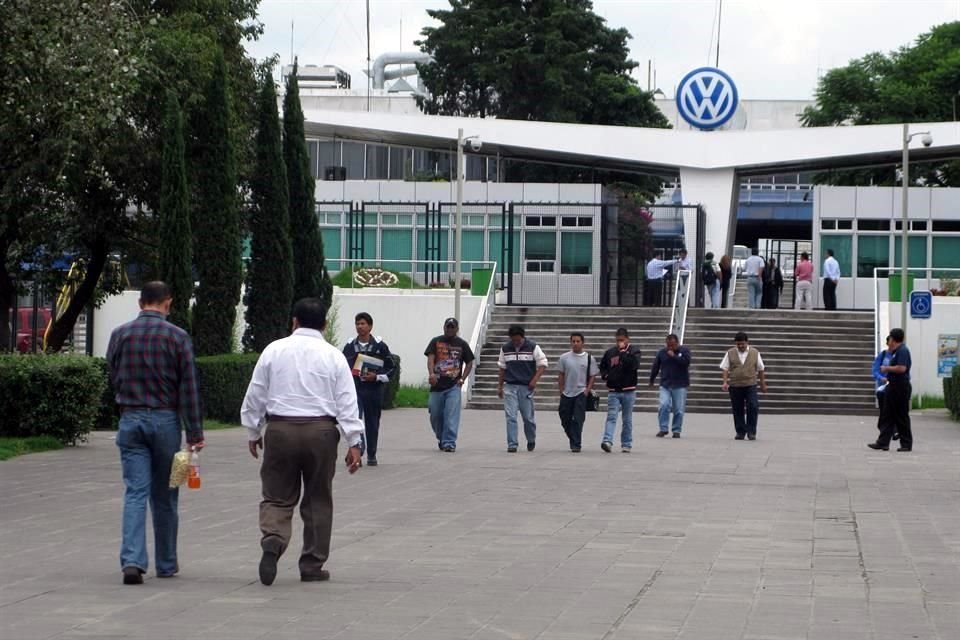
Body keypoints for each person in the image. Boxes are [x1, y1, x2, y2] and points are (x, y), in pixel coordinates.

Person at [241, 298, 364, 586]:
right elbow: (347, 401)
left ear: (293, 321)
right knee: (318, 498)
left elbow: (255, 394)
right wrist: (354, 442)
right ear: (324, 324)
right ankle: (312, 564)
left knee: (276, 494)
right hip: (321, 432)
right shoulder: (333, 356)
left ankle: (273, 538)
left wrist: (253, 431)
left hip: (280, 429)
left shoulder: (274, 350)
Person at [107, 281, 204, 585]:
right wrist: (194, 432)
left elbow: (113, 376)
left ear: (140, 303)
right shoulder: (178, 337)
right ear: (168, 303)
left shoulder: (119, 334)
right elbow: (188, 387)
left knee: (135, 491)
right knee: (168, 493)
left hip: (130, 421)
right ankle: (166, 562)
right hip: (167, 425)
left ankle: (133, 561)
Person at [342, 312, 395, 467]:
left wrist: (377, 377)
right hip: (356, 389)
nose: (360, 326)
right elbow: (343, 367)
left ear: (370, 326)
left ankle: (372, 454)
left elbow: (391, 367)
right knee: (355, 419)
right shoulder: (350, 345)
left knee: (372, 422)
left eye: (363, 323)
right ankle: (360, 447)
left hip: (373, 389)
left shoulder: (380, 345)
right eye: (357, 324)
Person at [424, 317, 475, 452]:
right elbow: (431, 359)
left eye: (453, 327)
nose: (450, 329)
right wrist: (431, 374)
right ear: (444, 327)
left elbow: (469, 362)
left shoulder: (462, 344)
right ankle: (441, 437)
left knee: (451, 415)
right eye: (448, 327)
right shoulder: (435, 341)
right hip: (437, 386)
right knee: (435, 414)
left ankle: (449, 442)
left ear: (457, 329)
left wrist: (462, 379)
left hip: (453, 386)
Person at [497, 325, 548, 452]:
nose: (516, 342)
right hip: (510, 386)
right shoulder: (505, 348)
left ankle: (531, 439)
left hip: (526, 387)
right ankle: (512, 444)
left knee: (528, 418)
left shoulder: (533, 347)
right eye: (513, 340)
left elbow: (543, 364)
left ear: (523, 337)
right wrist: (499, 386)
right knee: (511, 416)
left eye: (518, 340)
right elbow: (502, 368)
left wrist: (534, 380)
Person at [869, 328, 913, 452]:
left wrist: (886, 368)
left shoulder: (902, 351)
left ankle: (906, 444)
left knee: (901, 415)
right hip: (893, 386)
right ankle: (883, 442)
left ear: (893, 339)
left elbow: (902, 368)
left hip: (900, 386)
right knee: (887, 414)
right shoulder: (897, 351)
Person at [598, 328, 641, 453]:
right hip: (614, 390)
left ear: (627, 339)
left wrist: (623, 353)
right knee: (611, 416)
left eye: (622, 340)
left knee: (627, 419)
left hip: (629, 390)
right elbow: (603, 366)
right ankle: (607, 441)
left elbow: (634, 365)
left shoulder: (634, 351)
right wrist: (605, 376)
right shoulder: (610, 352)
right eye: (617, 340)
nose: (619, 343)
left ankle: (626, 443)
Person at [720, 331, 767, 441]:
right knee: (737, 409)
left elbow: (761, 369)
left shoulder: (755, 352)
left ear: (747, 342)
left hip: (750, 384)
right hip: (735, 385)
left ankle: (751, 431)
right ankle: (740, 431)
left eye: (742, 344)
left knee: (753, 406)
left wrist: (762, 384)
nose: (740, 346)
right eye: (738, 344)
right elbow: (725, 368)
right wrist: (725, 382)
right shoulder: (730, 353)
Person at [557, 332, 599, 453]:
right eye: (573, 341)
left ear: (582, 343)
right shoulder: (564, 357)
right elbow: (561, 374)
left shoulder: (589, 358)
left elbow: (592, 375)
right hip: (567, 392)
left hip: (581, 392)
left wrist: (587, 389)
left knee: (578, 419)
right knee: (564, 416)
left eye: (578, 341)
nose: (575, 343)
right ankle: (572, 437)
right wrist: (561, 390)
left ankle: (576, 444)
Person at [649, 334, 692, 438]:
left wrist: (674, 356)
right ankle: (663, 428)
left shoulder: (684, 351)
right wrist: (652, 379)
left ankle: (676, 430)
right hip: (665, 384)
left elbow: (686, 363)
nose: (670, 348)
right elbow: (656, 366)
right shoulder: (662, 353)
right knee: (664, 405)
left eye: (672, 345)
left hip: (680, 384)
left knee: (678, 409)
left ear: (677, 343)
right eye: (668, 345)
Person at [871, 335, 898, 441]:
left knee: (893, 410)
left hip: (895, 387)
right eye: (890, 342)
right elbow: (875, 370)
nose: (892, 345)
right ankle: (885, 429)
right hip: (883, 388)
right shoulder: (882, 355)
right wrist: (881, 378)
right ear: (887, 343)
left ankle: (894, 431)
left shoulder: (898, 355)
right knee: (885, 410)